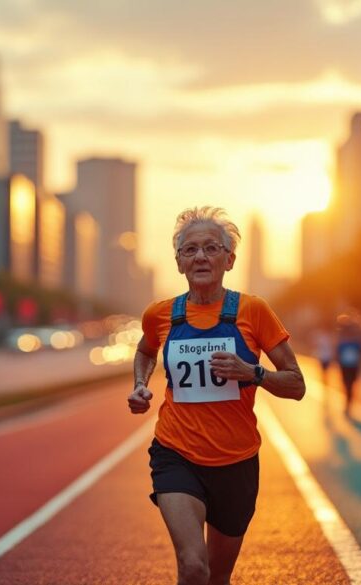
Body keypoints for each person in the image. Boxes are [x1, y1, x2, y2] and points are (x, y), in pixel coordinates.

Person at [127, 207, 306, 585]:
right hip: (176, 453)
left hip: (236, 462)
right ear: (178, 263)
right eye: (190, 250)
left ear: (229, 259)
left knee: (217, 576)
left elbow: (296, 384)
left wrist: (252, 373)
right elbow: (145, 351)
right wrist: (140, 384)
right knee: (193, 566)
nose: (201, 257)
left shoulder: (253, 311)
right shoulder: (160, 315)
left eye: (211, 248)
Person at [335, 314, 361, 416]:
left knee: (350, 385)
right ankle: (348, 403)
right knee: (347, 385)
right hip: (345, 365)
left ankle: (349, 402)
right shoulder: (342, 340)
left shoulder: (357, 340)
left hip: (353, 365)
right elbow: (338, 352)